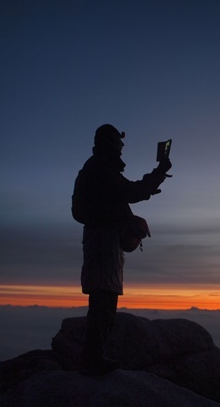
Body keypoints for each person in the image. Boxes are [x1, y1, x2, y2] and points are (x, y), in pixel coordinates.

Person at [72, 124, 171, 374]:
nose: (123, 147)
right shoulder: (101, 168)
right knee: (103, 298)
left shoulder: (99, 167)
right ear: (112, 143)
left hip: (104, 240)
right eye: (120, 141)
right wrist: (159, 172)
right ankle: (93, 360)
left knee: (105, 296)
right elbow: (130, 191)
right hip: (103, 241)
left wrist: (147, 186)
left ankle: (94, 357)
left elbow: (126, 193)